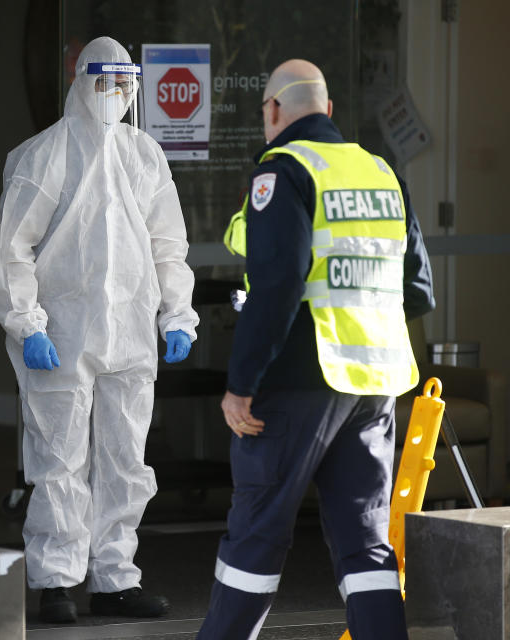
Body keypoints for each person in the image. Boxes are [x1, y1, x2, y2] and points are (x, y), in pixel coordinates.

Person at [197, 59, 435, 640]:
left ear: (273, 110)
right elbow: (418, 290)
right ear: (328, 110)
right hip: (375, 382)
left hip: (301, 380)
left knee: (257, 530)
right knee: (364, 541)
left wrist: (241, 384)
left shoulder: (283, 171)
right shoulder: (382, 172)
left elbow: (277, 286)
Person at [0, 36, 199, 624]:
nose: (118, 95)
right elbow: (12, 251)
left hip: (130, 333)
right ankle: (56, 581)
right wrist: (27, 322)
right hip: (65, 336)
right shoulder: (45, 155)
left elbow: (169, 246)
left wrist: (177, 314)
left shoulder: (145, 155)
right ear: (82, 82)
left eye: (127, 85)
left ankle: (115, 580)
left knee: (126, 460)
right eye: (106, 84)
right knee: (59, 460)